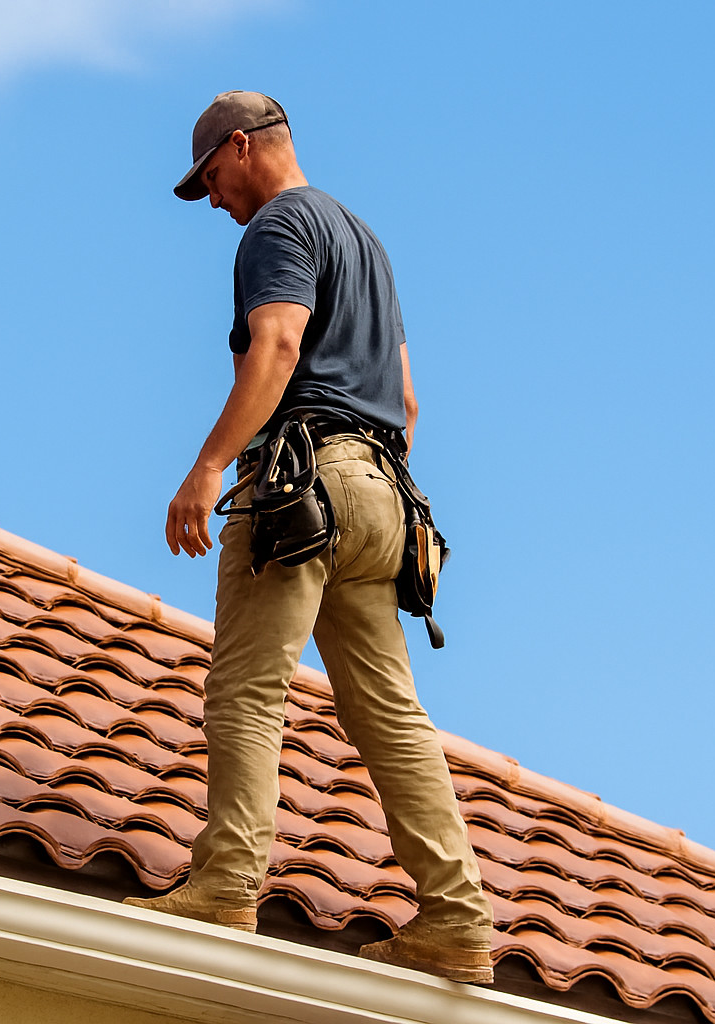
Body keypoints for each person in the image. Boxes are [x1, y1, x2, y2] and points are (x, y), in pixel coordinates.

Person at [124, 91, 494, 985]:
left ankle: (225, 883)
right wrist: (364, 482)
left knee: (247, 687)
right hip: (382, 497)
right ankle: (456, 920)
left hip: (302, 484)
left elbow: (279, 344)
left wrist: (210, 465)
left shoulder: (278, 230)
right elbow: (405, 402)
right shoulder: (365, 242)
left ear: (242, 147)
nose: (213, 200)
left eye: (211, 177)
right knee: (390, 714)